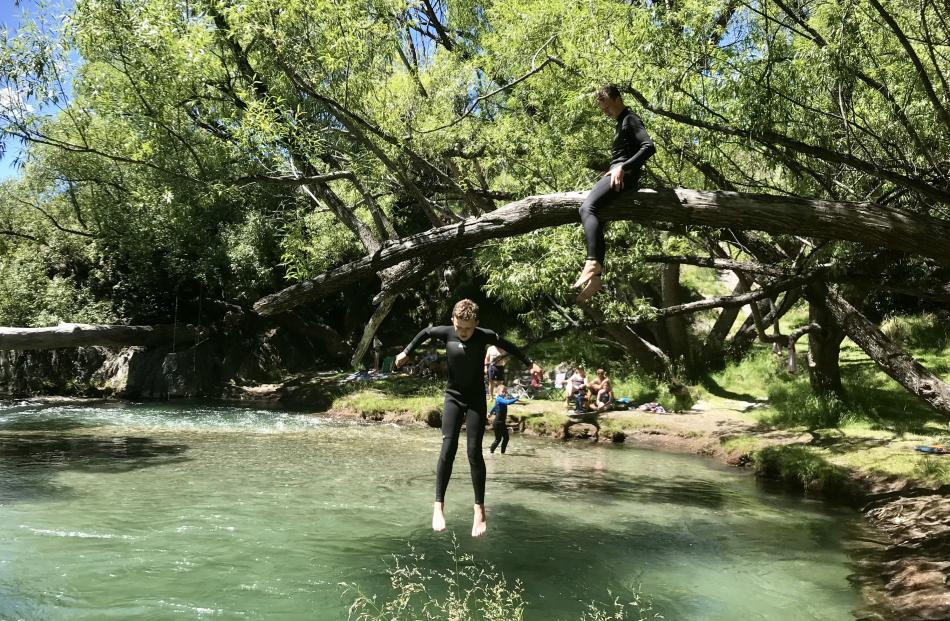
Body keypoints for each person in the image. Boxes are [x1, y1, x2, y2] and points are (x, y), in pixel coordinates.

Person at [395, 299, 542, 537]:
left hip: (475, 399)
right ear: (453, 321)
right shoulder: (446, 333)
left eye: (468, 328)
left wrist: (530, 364)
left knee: (474, 451)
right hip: (453, 397)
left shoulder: (484, 335)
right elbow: (423, 333)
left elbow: (510, 346)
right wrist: (406, 352)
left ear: (476, 324)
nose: (463, 333)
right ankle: (438, 506)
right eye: (459, 327)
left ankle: (479, 510)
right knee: (448, 446)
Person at [574, 85, 656, 303]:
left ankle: (592, 262)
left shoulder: (630, 118)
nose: (606, 112)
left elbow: (648, 147)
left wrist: (623, 167)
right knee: (596, 215)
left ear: (618, 99)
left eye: (608, 107)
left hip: (623, 175)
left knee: (586, 208)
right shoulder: (621, 123)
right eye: (603, 110)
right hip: (618, 173)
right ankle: (596, 277)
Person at [489, 383, 519, 454]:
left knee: (506, 438)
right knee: (498, 439)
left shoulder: (500, 399)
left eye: (505, 391)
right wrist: (516, 399)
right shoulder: (499, 399)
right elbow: (507, 402)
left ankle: (503, 453)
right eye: (503, 391)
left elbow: (494, 407)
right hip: (497, 423)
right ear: (498, 392)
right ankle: (491, 452)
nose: (504, 393)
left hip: (502, 423)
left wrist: (490, 413)